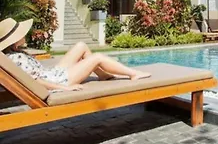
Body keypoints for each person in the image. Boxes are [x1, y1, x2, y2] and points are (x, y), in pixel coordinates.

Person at [0, 18, 150, 92]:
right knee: (97, 57)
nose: (25, 34)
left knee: (81, 46)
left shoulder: (14, 54)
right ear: (14, 39)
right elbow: (35, 82)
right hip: (59, 80)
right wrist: (64, 88)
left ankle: (103, 75)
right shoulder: (16, 59)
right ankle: (133, 73)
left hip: (53, 74)